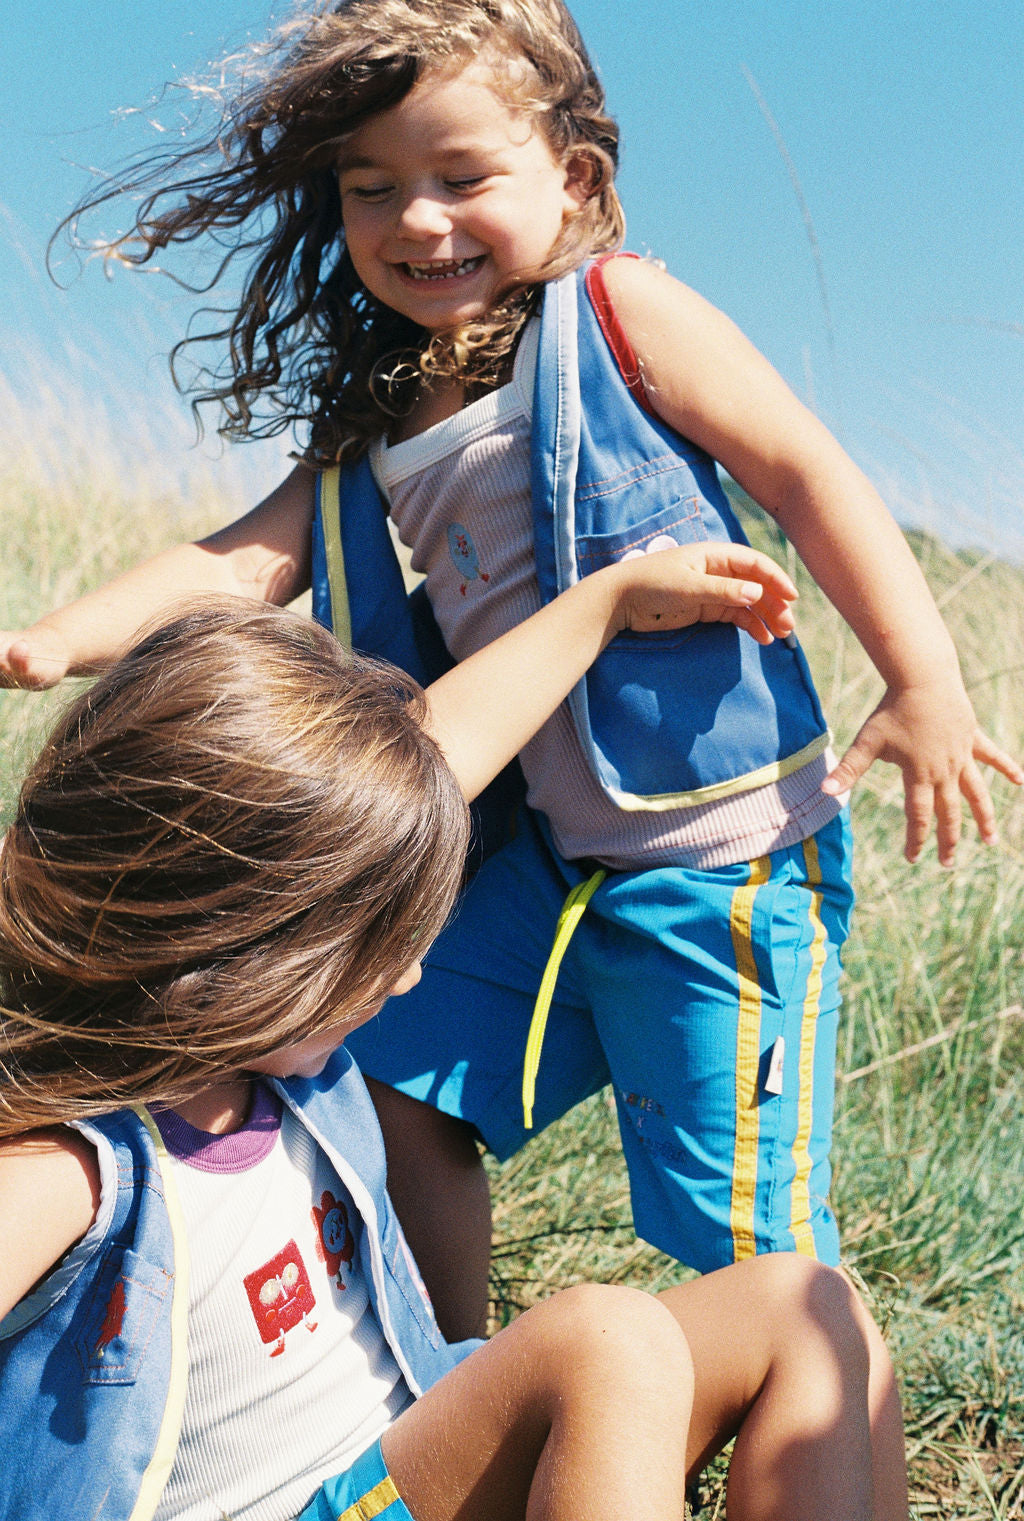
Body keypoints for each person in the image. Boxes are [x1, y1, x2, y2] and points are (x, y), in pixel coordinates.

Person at [2, 0, 1018, 1341]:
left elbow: (804, 470)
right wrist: (56, 640)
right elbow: (246, 560)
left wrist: (924, 678)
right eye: (374, 191)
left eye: (463, 179)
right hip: (538, 861)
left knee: (749, 1246)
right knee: (388, 1079)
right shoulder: (377, 421)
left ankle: (812, 1442)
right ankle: (456, 1381)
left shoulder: (622, 314)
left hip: (716, 854)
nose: (418, 221)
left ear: (575, 181)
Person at [0, 597, 907, 1521]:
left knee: (806, 1306)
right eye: (378, 942)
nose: (408, 976)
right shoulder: (65, 1170)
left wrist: (612, 603)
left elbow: (411, 767)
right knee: (604, 1343)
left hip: (412, 1452)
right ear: (246, 938)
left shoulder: (272, 1060)